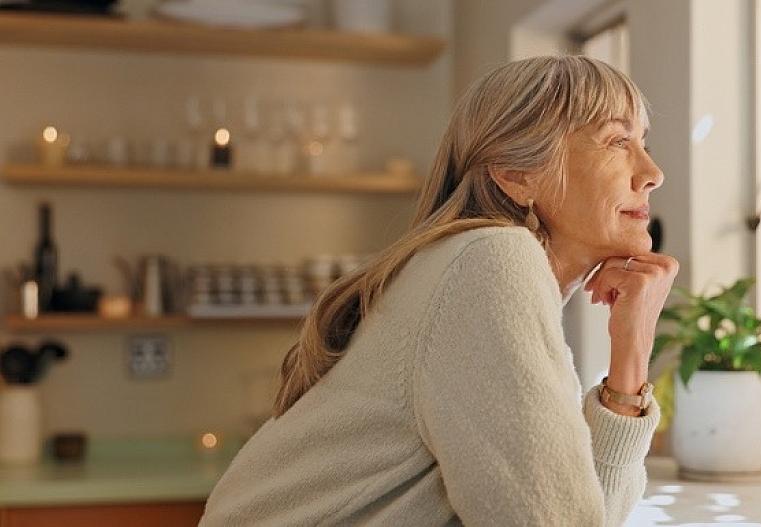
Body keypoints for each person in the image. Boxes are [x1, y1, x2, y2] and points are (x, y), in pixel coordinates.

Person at [199, 55, 678, 526]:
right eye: (617, 141)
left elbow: (586, 511)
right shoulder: (490, 260)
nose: (652, 171)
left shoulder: (481, 267)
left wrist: (631, 354)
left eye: (643, 142)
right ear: (515, 176)